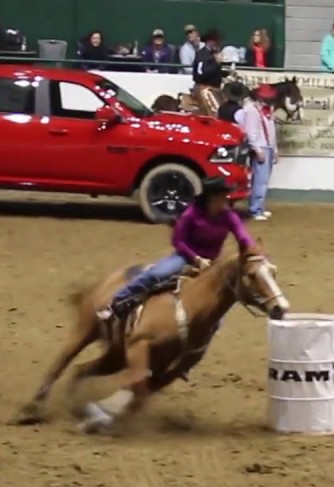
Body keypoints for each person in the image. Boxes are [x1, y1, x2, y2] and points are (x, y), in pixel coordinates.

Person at [98, 177, 253, 321]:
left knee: (220, 296)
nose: (226, 200)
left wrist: (252, 250)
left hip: (211, 262)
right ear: (212, 198)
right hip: (185, 257)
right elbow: (178, 241)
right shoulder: (191, 214)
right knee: (157, 274)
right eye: (223, 196)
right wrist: (196, 259)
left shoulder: (228, 216)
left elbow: (242, 235)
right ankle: (116, 301)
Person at [237, 83, 278, 221]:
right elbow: (251, 132)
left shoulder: (267, 111)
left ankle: (260, 207)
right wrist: (257, 149)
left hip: (268, 146)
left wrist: (275, 148)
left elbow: (272, 132)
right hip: (261, 146)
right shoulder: (252, 111)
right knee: (260, 180)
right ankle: (255, 209)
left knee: (264, 180)